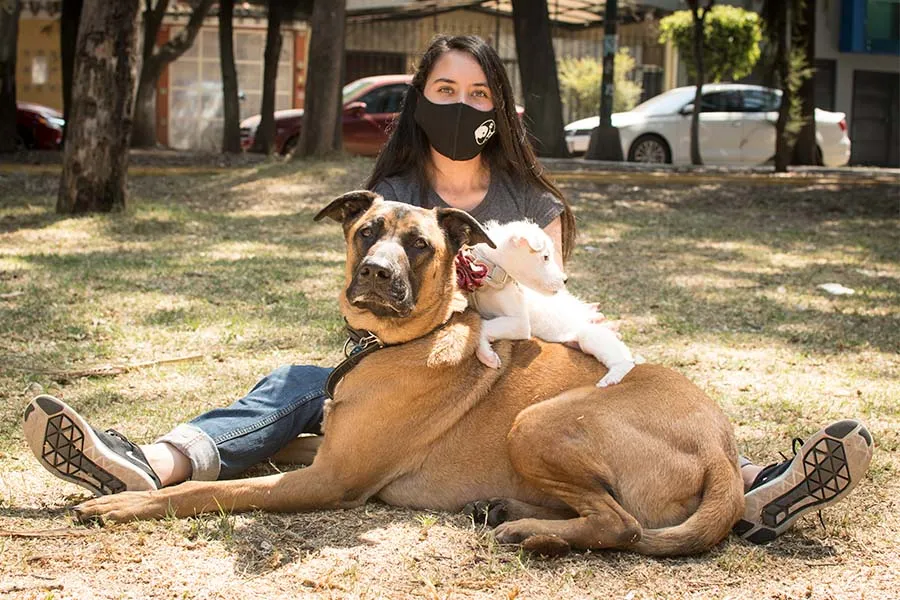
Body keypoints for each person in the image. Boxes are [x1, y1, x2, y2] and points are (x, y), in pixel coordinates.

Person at [22, 35, 872, 545]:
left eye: (477, 95)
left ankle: (750, 486)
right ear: (419, 101)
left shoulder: (533, 205)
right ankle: (150, 462)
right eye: (443, 92)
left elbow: (555, 315)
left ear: (498, 108)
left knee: (560, 418)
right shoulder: (393, 184)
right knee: (294, 387)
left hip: (507, 372)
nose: (460, 107)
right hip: (395, 363)